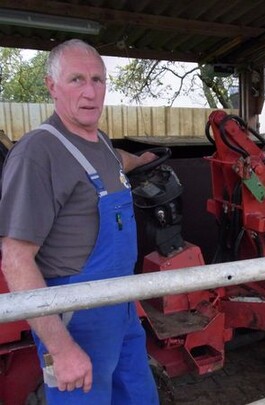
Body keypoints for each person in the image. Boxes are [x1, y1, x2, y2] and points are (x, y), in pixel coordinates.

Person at [0, 39, 159, 404]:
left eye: (97, 79)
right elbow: (15, 259)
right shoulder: (37, 154)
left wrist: (142, 159)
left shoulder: (99, 141)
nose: (90, 92)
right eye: (76, 80)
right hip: (76, 318)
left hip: (121, 304)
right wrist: (61, 348)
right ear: (51, 86)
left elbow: (116, 160)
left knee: (138, 396)